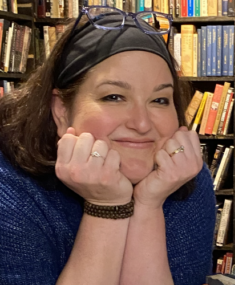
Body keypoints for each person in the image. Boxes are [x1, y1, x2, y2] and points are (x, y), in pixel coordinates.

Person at [0, 7, 216, 285]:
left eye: (160, 100)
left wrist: (148, 205)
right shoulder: (11, 189)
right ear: (62, 110)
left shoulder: (186, 179)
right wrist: (106, 206)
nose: (141, 123)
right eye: (114, 96)